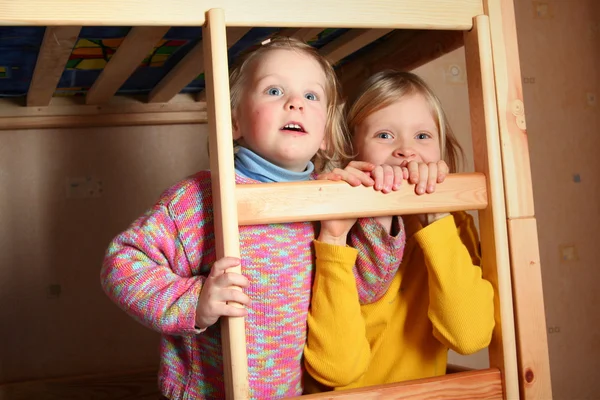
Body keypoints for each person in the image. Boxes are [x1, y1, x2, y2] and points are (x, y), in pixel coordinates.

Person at [100, 38, 406, 400]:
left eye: (311, 96)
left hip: (297, 390)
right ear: (234, 122)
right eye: (274, 90)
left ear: (325, 133)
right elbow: (121, 264)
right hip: (206, 391)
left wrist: (378, 215)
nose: (295, 103)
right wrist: (194, 302)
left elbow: (364, 288)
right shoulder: (199, 198)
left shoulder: (329, 196)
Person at [304, 70, 496, 392]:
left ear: (442, 150)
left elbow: (470, 336)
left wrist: (436, 217)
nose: (406, 151)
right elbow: (335, 371)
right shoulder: (332, 220)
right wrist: (337, 236)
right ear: (353, 150)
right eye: (384, 135)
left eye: (422, 137)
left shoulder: (453, 221)